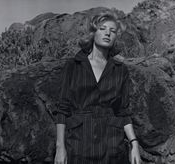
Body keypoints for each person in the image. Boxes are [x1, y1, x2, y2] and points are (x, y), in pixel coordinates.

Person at [53, 11, 141, 164]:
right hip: (78, 142)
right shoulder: (74, 66)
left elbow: (123, 111)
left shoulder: (120, 70)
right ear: (93, 33)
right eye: (102, 28)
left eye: (112, 31)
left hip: (112, 144)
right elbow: (63, 109)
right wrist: (60, 148)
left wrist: (134, 144)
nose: (108, 33)